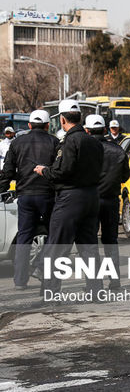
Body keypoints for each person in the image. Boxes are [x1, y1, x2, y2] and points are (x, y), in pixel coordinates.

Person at [34, 99, 104, 295]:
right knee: (89, 249)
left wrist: (44, 171)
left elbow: (62, 171)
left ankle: (51, 292)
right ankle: (96, 290)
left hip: (70, 199)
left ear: (63, 120)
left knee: (57, 248)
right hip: (91, 197)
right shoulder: (93, 142)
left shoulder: (69, 141)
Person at [0, 110, 59, 290]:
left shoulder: (17, 143)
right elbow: (59, 170)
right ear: (48, 125)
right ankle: (45, 274)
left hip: (25, 196)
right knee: (52, 236)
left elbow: (8, 172)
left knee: (24, 237)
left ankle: (20, 280)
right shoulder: (54, 142)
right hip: (48, 196)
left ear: (29, 125)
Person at [85, 114, 130, 288]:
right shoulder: (117, 150)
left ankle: (94, 283)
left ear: (87, 131)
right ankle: (115, 279)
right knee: (111, 240)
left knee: (90, 242)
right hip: (111, 200)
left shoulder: (84, 150)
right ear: (105, 130)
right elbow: (125, 175)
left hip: (90, 200)